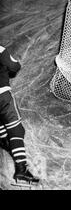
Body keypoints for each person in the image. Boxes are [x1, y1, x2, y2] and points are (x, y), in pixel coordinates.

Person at [0, 45, 39, 185]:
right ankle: (21, 170)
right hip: (2, 96)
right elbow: (14, 67)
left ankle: (4, 140)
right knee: (17, 129)